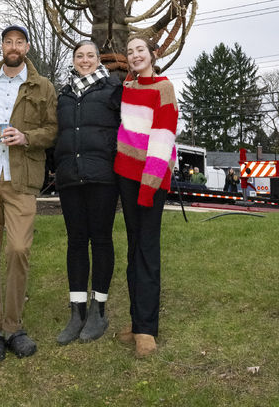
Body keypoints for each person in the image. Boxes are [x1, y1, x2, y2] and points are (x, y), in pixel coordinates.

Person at [0, 23, 57, 363]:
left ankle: (14, 327)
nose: (13, 46)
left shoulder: (43, 86)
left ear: (28, 47)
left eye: (19, 42)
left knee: (18, 249)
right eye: (8, 42)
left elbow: (52, 130)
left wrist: (26, 137)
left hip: (21, 178)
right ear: (2, 46)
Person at [114, 34, 178, 359]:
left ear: (153, 54)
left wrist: (148, 186)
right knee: (133, 249)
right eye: (130, 51)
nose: (136, 54)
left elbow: (163, 137)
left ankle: (148, 331)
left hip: (150, 180)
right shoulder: (128, 86)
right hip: (126, 176)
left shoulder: (164, 89)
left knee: (148, 251)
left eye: (141, 49)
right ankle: (136, 321)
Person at [54, 40, 122, 345]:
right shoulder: (64, 94)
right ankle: (77, 311)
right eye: (80, 56)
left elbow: (129, 127)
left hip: (103, 178)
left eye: (90, 56)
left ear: (99, 60)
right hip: (70, 178)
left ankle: (99, 309)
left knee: (102, 240)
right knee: (76, 243)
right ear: (73, 59)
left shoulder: (112, 89)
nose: (85, 60)